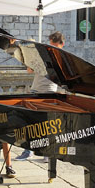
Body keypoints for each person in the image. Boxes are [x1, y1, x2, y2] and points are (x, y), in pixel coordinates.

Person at [13, 31, 65, 162]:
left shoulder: (62, 59)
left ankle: (48, 152)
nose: (51, 48)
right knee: (30, 122)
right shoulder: (44, 55)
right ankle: (28, 151)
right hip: (35, 90)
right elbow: (30, 70)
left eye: (54, 46)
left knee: (48, 124)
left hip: (49, 92)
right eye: (50, 45)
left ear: (62, 45)